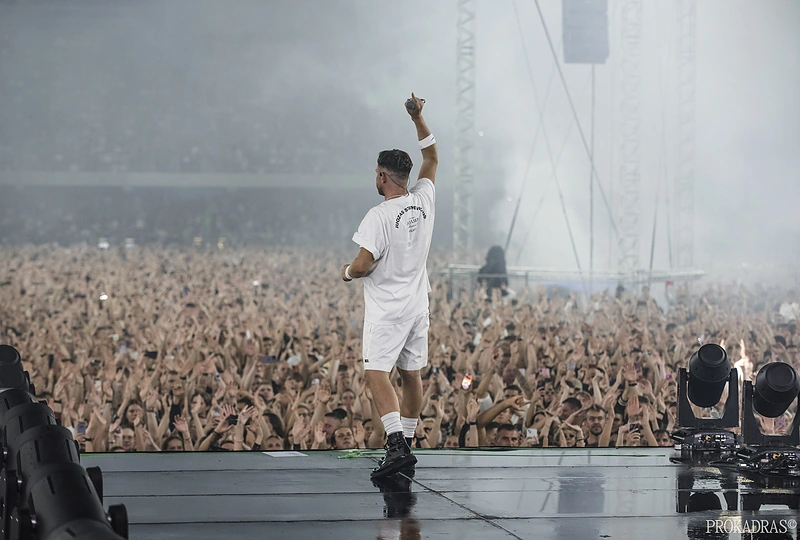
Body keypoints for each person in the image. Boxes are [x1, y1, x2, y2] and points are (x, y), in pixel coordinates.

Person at [341, 93, 438, 478]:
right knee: (411, 373)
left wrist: (347, 272)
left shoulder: (378, 216)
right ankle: (408, 441)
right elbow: (432, 158)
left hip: (387, 309)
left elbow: (364, 265)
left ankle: (396, 445)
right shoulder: (424, 198)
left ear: (382, 176)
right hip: (417, 304)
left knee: (376, 372)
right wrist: (418, 118)